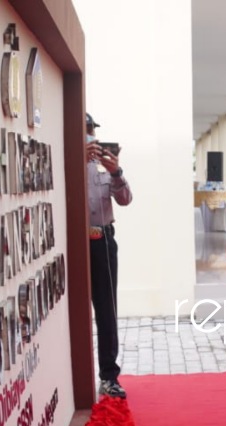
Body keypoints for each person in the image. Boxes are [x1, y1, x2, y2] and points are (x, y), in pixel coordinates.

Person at [85, 112, 132, 399]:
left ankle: (109, 376)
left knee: (106, 310)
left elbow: (125, 200)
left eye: (93, 131)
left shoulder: (104, 166)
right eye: (86, 131)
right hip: (74, 242)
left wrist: (116, 172)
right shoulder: (67, 160)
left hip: (102, 240)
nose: (91, 136)